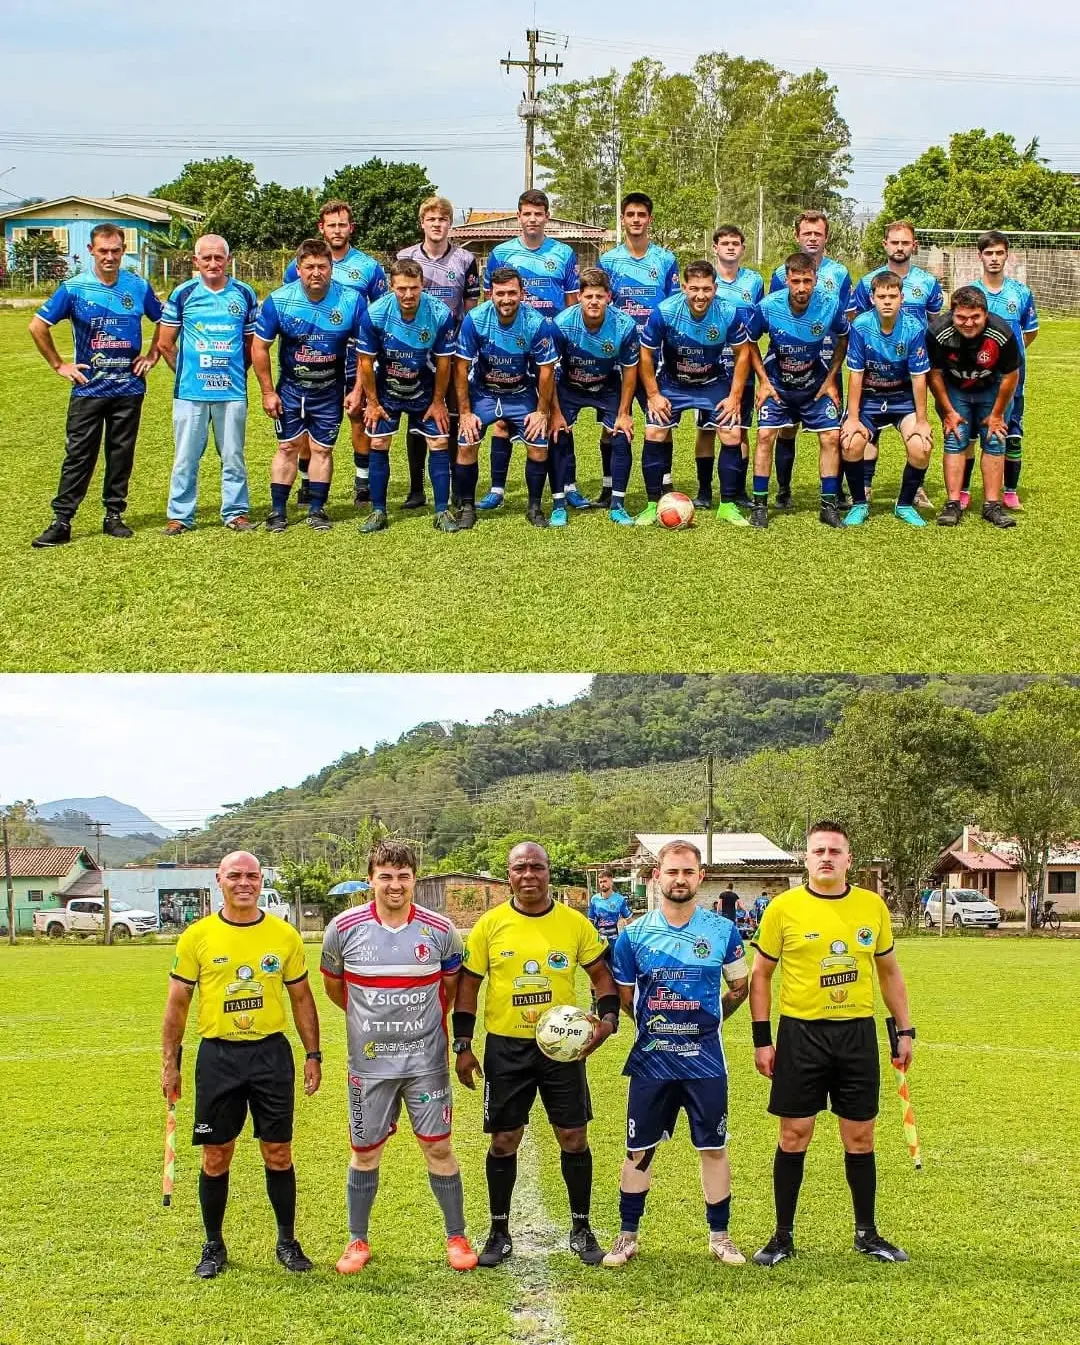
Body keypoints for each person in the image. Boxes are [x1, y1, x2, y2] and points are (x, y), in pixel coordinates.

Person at [749, 820, 915, 1266]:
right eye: (818, 850)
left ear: (848, 859)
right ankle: (782, 1236)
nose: (826, 857)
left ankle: (867, 1233)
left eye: (834, 851)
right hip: (800, 1034)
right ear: (806, 858)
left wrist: (905, 1030)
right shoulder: (783, 908)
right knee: (793, 1134)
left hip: (856, 1036)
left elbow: (889, 972)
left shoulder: (871, 907)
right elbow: (761, 975)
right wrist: (762, 1040)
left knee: (860, 1137)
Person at [452, 841, 619, 1267]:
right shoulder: (489, 926)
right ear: (508, 874)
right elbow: (468, 986)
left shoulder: (574, 923)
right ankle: (498, 1231)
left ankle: (581, 1229)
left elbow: (602, 974)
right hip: (506, 1048)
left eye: (537, 868)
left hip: (562, 1050)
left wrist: (608, 1019)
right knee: (505, 1141)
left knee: (574, 1137)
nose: (529, 875)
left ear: (548, 873)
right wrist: (463, 1043)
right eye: (520, 868)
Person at [160, 851, 321, 1279]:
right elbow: (178, 1003)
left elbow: (302, 998)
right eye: (235, 875)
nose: (244, 882)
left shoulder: (284, 936)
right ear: (220, 880)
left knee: (279, 1152)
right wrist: (169, 1064)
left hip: (271, 1054)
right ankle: (213, 1245)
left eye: (252, 875)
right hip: (218, 1057)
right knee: (216, 1155)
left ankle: (287, 1242)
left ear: (261, 879)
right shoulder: (197, 936)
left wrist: (313, 1053)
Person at [320, 839, 478, 1273]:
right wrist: (370, 1022)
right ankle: (356, 1242)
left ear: (415, 880)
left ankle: (456, 1237)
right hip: (368, 1067)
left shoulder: (440, 930)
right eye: (385, 876)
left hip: (425, 1064)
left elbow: (449, 989)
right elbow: (338, 990)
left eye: (403, 876)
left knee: (440, 1148)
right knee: (365, 1152)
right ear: (370, 879)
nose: (394, 885)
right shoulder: (343, 928)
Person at [603, 840, 748, 1268]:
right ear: (657, 877)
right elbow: (625, 997)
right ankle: (627, 1236)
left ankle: (720, 1236)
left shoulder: (722, 931)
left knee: (714, 1147)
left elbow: (740, 986)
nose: (680, 879)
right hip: (653, 1062)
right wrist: (653, 1030)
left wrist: (712, 1018)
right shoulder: (634, 936)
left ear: (700, 877)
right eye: (672, 872)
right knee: (638, 1148)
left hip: (706, 1062)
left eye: (688, 872)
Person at [29, 223, 163, 548]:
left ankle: (113, 516)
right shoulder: (74, 288)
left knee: (121, 455)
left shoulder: (137, 286)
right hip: (88, 389)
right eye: (103, 251)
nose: (110, 257)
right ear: (91, 251)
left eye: (116, 250)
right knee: (78, 455)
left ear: (123, 250)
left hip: (129, 390)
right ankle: (62, 521)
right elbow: (37, 326)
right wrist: (60, 365)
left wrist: (152, 356)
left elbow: (166, 322)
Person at [252, 238, 366, 532]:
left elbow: (366, 350)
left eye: (322, 266)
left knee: (322, 450)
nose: (316, 272)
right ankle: (278, 512)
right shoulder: (280, 300)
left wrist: (357, 389)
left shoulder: (351, 301)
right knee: (287, 447)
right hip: (290, 391)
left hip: (330, 392)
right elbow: (260, 347)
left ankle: (317, 510)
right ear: (299, 269)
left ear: (331, 268)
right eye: (309, 267)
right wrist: (267, 392)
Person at [482, 190, 586, 508]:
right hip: (510, 347)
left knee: (558, 416)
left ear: (547, 217)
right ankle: (497, 489)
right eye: (527, 213)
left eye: (538, 214)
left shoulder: (564, 253)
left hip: (551, 346)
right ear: (518, 216)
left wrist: (569, 343)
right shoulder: (501, 253)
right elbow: (491, 301)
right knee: (502, 419)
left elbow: (571, 304)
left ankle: (568, 484)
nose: (532, 219)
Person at [284, 199, 387, 507]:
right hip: (313, 356)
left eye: (343, 224)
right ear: (322, 228)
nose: (337, 230)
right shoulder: (299, 265)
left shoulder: (368, 266)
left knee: (358, 415)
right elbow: (290, 302)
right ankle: (306, 482)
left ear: (351, 228)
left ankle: (362, 482)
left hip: (356, 357)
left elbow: (381, 311)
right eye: (332, 225)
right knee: (307, 418)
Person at [157, 234, 260, 535]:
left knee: (233, 455)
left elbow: (251, 344)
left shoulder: (244, 293)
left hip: (231, 392)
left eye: (219, 258)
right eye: (207, 258)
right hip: (190, 392)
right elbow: (165, 344)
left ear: (228, 260)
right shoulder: (183, 293)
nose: (213, 263)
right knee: (186, 457)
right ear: (195, 261)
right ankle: (179, 516)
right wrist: (187, 372)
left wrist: (236, 371)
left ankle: (236, 513)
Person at [347, 258, 458, 534]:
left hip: (425, 388)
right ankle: (378, 511)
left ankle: (442, 510)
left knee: (439, 441)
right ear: (391, 287)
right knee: (379, 442)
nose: (408, 295)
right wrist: (371, 403)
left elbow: (445, 363)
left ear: (423, 286)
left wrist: (438, 402)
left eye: (414, 288)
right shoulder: (374, 314)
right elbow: (365, 362)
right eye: (401, 289)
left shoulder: (440, 313)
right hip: (388, 389)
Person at [638, 261, 751, 527]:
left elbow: (742, 353)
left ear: (715, 287)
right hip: (672, 382)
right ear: (683, 287)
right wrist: (653, 394)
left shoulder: (729, 311)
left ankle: (727, 505)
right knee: (654, 431)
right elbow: (645, 354)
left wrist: (734, 397)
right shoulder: (665, 311)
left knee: (732, 433)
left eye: (707, 289)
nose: (701, 295)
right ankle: (652, 504)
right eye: (694, 289)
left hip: (712, 381)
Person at [749, 253, 851, 529]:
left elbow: (844, 338)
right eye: (796, 281)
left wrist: (831, 379)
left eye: (807, 280)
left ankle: (828, 506)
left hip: (814, 384)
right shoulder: (769, 306)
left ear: (816, 279)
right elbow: (749, 341)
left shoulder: (830, 304)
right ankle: (760, 505)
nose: (802, 287)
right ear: (787, 280)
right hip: (778, 384)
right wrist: (763, 381)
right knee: (766, 435)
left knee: (831, 436)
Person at [849, 219, 944, 506]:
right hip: (874, 376)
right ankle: (864, 487)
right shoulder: (868, 282)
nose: (900, 247)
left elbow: (936, 324)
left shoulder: (927, 282)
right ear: (885, 245)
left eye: (905, 242)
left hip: (912, 368)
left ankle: (915, 490)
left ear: (913, 245)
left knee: (918, 438)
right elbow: (860, 322)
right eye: (895, 242)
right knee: (865, 438)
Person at [454, 268, 558, 528]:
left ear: (522, 293)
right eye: (500, 293)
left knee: (537, 442)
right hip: (483, 392)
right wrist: (465, 413)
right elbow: (460, 367)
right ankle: (467, 506)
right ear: (490, 294)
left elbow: (546, 370)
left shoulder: (536, 322)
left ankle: (534, 506)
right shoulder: (475, 319)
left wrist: (541, 412)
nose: (506, 299)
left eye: (512, 292)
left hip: (520, 393)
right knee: (467, 442)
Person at [597, 192, 681, 507]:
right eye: (630, 214)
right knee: (612, 425)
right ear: (622, 218)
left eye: (641, 214)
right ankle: (609, 487)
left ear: (649, 219)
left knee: (660, 421)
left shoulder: (665, 259)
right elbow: (600, 304)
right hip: (616, 357)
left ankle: (665, 485)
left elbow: (675, 306)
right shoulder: (608, 260)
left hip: (655, 356)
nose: (635, 219)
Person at [397, 196, 481, 509]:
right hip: (413, 351)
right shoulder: (405, 256)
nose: (437, 224)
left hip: (453, 350)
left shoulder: (465, 259)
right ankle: (417, 489)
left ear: (450, 224)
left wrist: (462, 347)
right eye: (431, 219)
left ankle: (458, 489)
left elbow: (470, 307)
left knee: (456, 416)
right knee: (417, 418)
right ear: (422, 223)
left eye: (443, 219)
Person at [767, 211, 853, 506]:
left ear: (826, 237)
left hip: (829, 364)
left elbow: (847, 319)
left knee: (832, 428)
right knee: (787, 427)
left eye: (818, 233)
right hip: (790, 363)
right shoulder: (781, 274)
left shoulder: (840, 273)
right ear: (797, 236)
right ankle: (783, 490)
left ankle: (835, 491)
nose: (812, 238)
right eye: (807, 233)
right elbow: (777, 314)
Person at [841, 272, 934, 528]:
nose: (887, 301)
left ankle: (904, 504)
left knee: (921, 447)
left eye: (893, 296)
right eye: (882, 296)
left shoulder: (915, 328)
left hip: (902, 400)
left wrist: (923, 421)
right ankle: (859, 503)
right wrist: (852, 418)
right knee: (850, 443)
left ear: (902, 298)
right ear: (872, 298)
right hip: (870, 399)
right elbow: (856, 375)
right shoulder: (860, 326)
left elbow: (918, 378)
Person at [925, 286, 1020, 530]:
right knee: (955, 440)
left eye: (975, 317)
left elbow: (1011, 375)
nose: (968, 323)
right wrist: (948, 412)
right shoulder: (938, 332)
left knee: (995, 440)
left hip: (992, 388)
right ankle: (953, 504)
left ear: (985, 314)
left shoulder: (1001, 332)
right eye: (961, 317)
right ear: (952, 314)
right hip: (956, 390)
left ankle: (992, 505)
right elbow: (934, 374)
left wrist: (997, 414)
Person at [549, 269, 640, 526]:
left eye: (599, 296)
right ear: (579, 296)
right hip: (569, 385)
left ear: (609, 297)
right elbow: (547, 370)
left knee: (622, 435)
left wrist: (624, 413)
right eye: (588, 296)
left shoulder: (624, 325)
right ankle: (559, 504)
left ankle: (617, 504)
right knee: (557, 433)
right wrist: (554, 413)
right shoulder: (562, 324)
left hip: (607, 385)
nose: (594, 301)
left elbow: (630, 370)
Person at [972, 230, 1039, 512]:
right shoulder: (971, 293)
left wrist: (1009, 356)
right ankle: (963, 491)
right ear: (981, 256)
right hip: (977, 379)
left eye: (999, 253)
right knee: (971, 436)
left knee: (1010, 433)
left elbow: (1030, 332)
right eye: (989, 253)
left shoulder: (1021, 293)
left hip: (1012, 379)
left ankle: (1009, 491)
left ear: (1007, 255)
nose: (994, 258)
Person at [700, 225, 764, 509]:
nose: (730, 247)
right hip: (709, 367)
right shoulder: (706, 281)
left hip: (743, 364)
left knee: (741, 427)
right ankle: (704, 491)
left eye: (735, 243)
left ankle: (737, 490)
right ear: (715, 247)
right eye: (724, 243)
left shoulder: (754, 281)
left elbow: (759, 324)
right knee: (707, 429)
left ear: (742, 248)